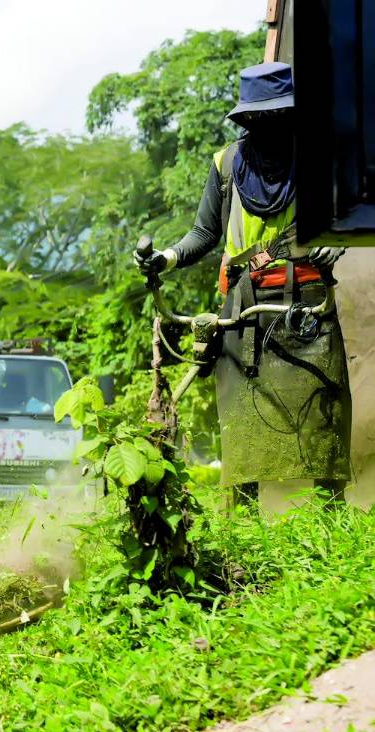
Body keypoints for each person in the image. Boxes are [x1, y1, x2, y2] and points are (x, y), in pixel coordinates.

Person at [135, 62, 350, 503]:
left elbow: (347, 214)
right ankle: (243, 528)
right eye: (258, 116)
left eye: (277, 114)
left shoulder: (319, 158)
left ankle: (332, 519)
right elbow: (203, 233)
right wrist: (165, 258)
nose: (267, 123)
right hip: (243, 309)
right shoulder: (227, 163)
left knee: (322, 414)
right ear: (246, 118)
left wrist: (335, 240)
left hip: (307, 308)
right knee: (241, 417)